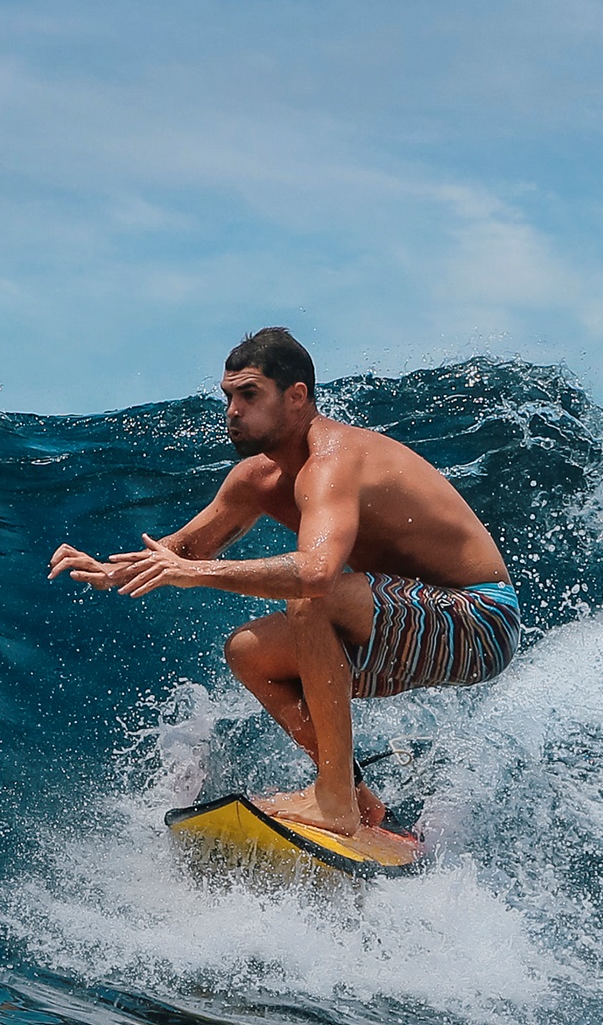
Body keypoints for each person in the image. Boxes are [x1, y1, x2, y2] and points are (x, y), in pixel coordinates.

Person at [48, 327, 521, 844]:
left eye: (249, 395)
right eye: (228, 397)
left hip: (480, 619)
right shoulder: (256, 480)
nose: (233, 411)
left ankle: (333, 799)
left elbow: (316, 573)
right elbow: (184, 551)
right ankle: (360, 802)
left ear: (297, 397)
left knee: (309, 600)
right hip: (401, 616)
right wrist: (114, 570)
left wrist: (198, 575)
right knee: (248, 651)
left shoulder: (332, 460)